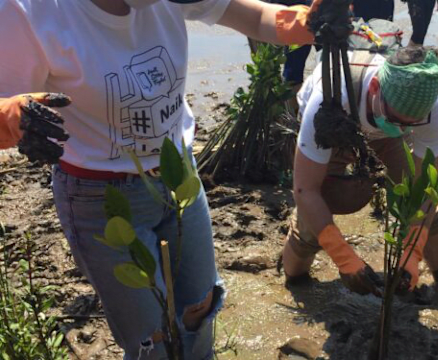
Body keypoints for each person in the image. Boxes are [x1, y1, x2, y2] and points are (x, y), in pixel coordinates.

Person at [0, 0, 330, 358]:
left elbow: (257, 16)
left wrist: (309, 23)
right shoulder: (29, 11)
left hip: (179, 176)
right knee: (150, 341)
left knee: (201, 307)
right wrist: (11, 115)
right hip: (99, 196)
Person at [281, 46, 438, 306]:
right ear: (375, 88)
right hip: (335, 127)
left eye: (412, 123)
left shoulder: (433, 109)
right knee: (312, 221)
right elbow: (305, 189)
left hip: (385, 136)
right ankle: (297, 285)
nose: (403, 127)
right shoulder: (328, 98)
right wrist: (343, 257)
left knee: (424, 209)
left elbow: (424, 189)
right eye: (396, 118)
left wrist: (412, 249)